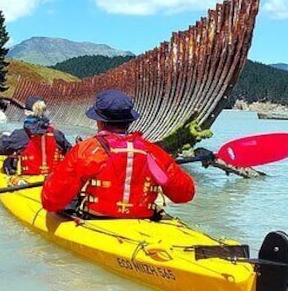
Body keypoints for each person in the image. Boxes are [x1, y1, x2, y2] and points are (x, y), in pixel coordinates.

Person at [41, 89, 195, 219]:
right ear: (129, 121)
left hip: (97, 221)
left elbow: (51, 201)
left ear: (99, 122)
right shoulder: (153, 151)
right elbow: (185, 195)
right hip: (144, 220)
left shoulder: (86, 150)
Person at [0, 95, 72, 175]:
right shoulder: (57, 134)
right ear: (44, 112)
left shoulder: (20, 135)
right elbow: (70, 152)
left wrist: (4, 137)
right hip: (53, 180)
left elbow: (0, 149)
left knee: (8, 162)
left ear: (26, 113)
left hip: (28, 182)